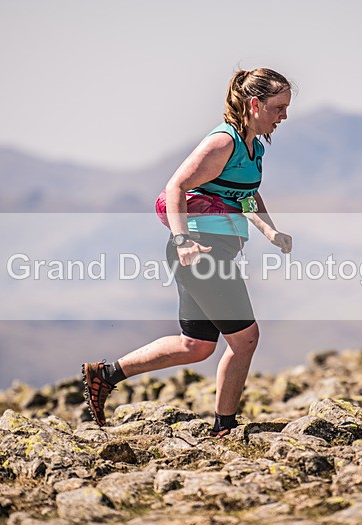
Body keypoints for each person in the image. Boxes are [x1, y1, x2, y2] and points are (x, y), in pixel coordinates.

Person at [83, 68, 293, 436]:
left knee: (195, 346)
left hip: (217, 250)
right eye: (278, 107)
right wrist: (182, 241)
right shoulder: (222, 142)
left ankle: (106, 374)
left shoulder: (254, 147)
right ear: (254, 104)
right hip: (201, 252)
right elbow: (176, 185)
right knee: (245, 339)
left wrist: (270, 230)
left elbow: (245, 195)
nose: (284, 116)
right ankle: (224, 428)